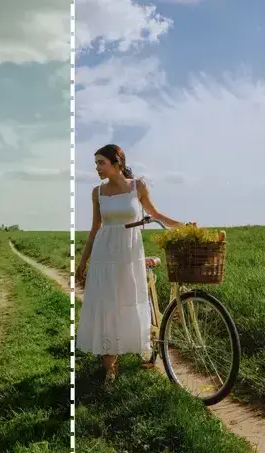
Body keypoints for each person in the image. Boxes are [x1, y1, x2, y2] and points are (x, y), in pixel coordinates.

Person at [75, 144, 190, 383]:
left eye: (101, 162)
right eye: (95, 163)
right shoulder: (97, 192)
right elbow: (95, 228)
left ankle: (131, 346)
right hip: (104, 256)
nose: (97, 168)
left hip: (129, 254)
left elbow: (156, 215)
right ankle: (109, 368)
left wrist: (183, 226)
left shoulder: (138, 186)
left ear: (116, 163)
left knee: (127, 302)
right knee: (106, 306)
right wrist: (83, 262)